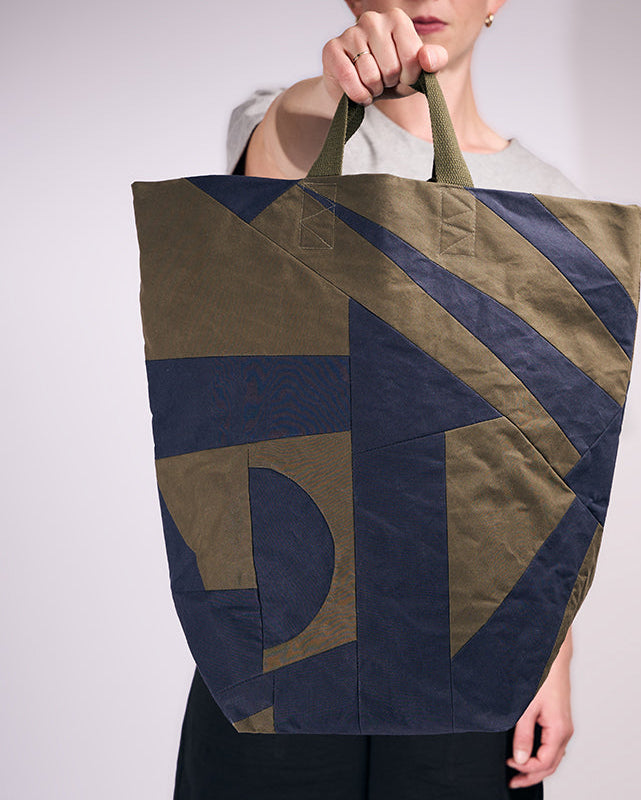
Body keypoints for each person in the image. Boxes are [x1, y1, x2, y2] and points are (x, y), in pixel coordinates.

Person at [174, 3, 585, 797]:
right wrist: (338, 81)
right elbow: (285, 143)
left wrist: (554, 654)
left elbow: (547, 469)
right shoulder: (292, 127)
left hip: (475, 626)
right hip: (286, 614)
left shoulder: (552, 203)